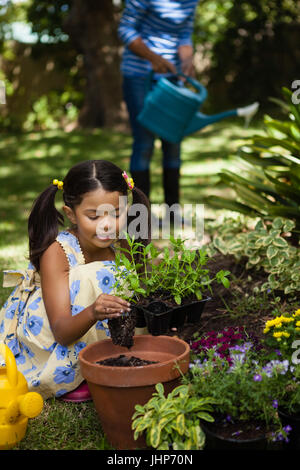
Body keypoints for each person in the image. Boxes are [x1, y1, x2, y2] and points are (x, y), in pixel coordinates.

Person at [0, 160, 151, 401]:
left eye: (117, 213)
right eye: (93, 216)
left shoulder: (123, 244)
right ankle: (74, 371)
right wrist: (93, 312)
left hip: (102, 323)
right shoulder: (58, 252)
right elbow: (61, 331)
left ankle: (104, 356)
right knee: (90, 275)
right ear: (71, 213)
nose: (107, 225)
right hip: (56, 332)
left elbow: (142, 292)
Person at [118, 0, 199, 213]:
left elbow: (184, 35)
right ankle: (141, 219)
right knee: (144, 143)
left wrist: (187, 61)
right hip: (139, 76)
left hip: (171, 77)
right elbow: (125, 29)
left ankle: (173, 213)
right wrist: (153, 58)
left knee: (173, 141)